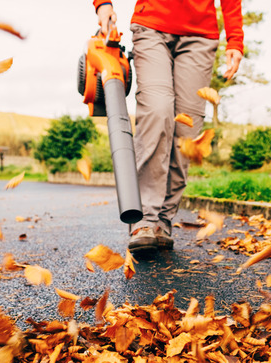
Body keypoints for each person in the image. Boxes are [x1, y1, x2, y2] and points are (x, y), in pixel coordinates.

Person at [92, 0, 244, 254]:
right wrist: (103, 5)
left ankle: (162, 221)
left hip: (200, 35)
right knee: (158, 110)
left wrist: (235, 38)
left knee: (187, 130)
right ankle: (145, 220)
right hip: (152, 24)